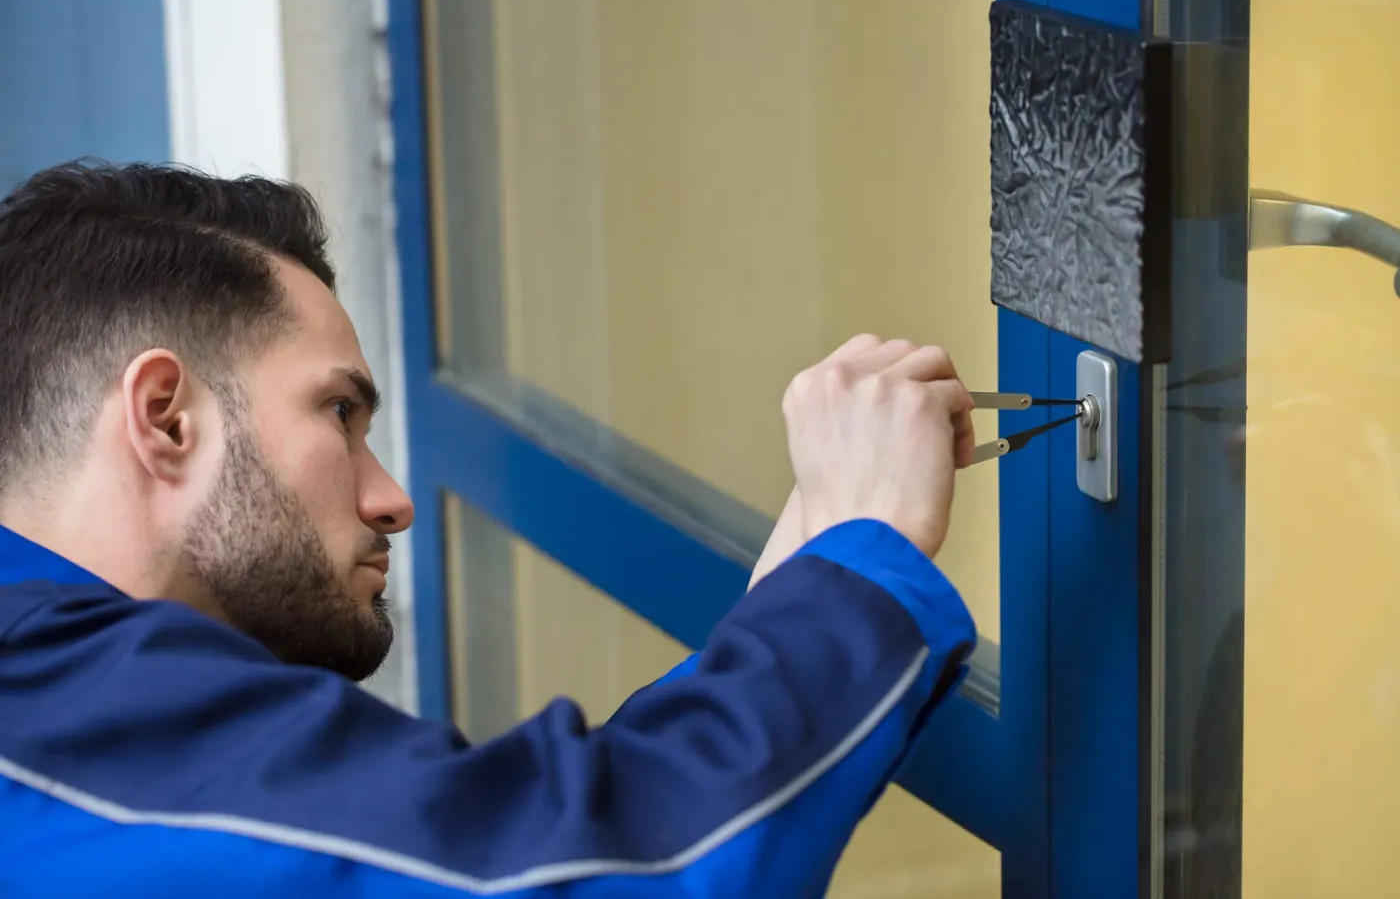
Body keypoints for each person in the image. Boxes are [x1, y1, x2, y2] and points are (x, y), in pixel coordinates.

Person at [0, 161, 980, 898]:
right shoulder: (73, 721)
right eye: (338, 414)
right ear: (167, 417)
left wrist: (797, 591)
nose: (392, 499)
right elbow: (627, 869)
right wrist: (861, 552)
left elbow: (506, 845)